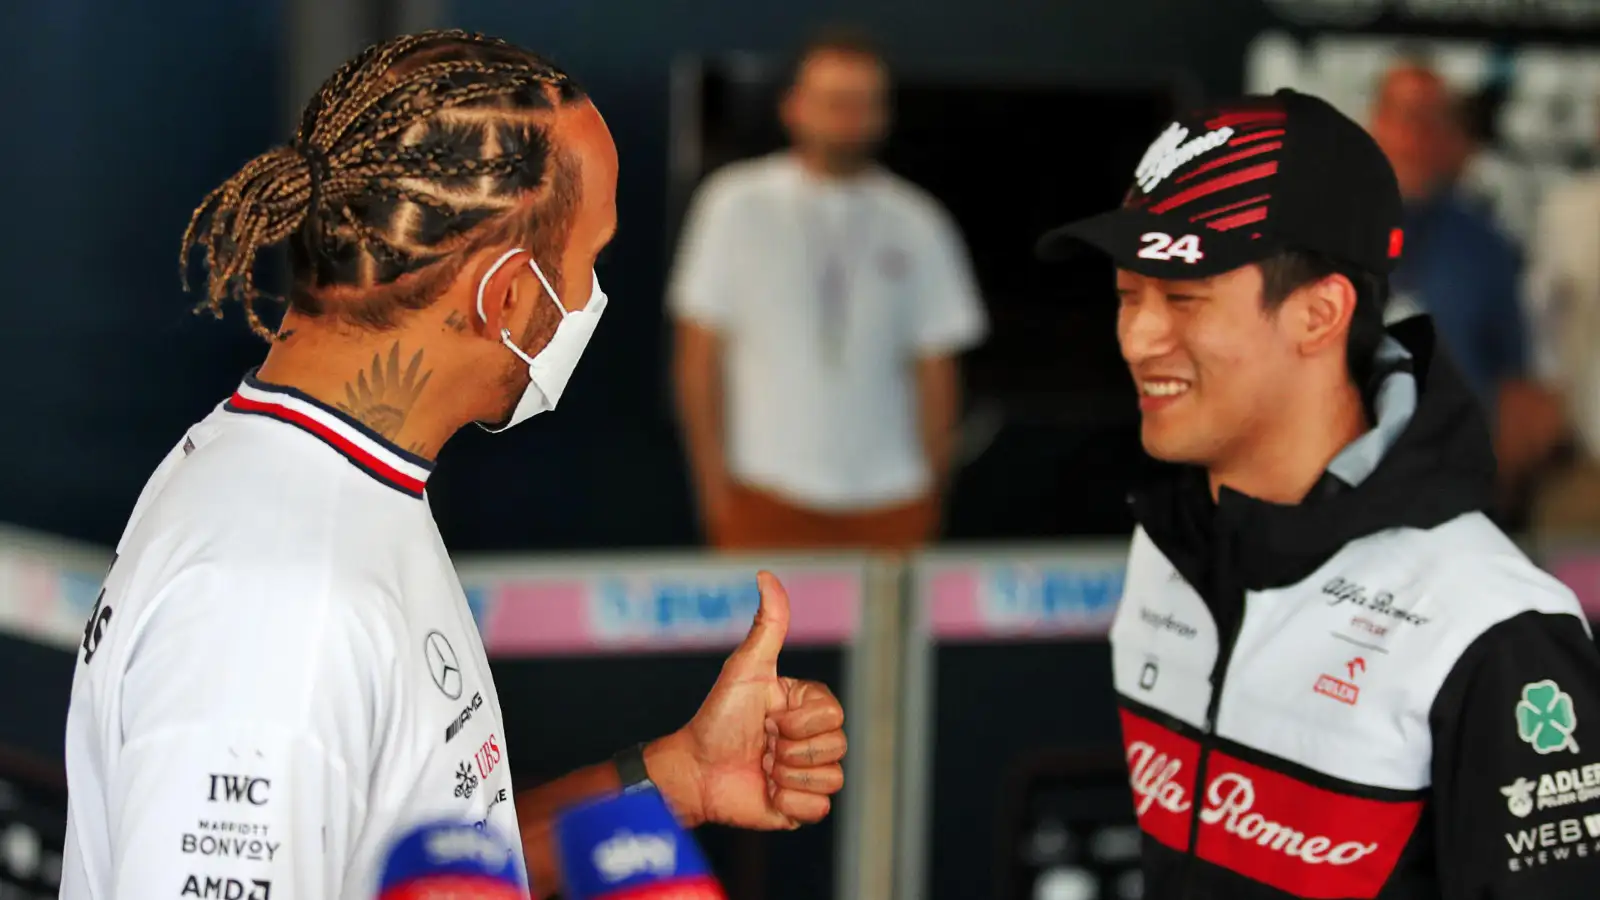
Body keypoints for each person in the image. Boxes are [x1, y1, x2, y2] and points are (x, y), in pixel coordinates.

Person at [59, 30, 847, 900]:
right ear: (504, 295)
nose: (590, 301)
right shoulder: (279, 602)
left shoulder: (332, 492)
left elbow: (430, 857)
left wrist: (677, 780)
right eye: (589, 263)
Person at [1036, 88, 1600, 898]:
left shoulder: (1493, 629)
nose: (1138, 338)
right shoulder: (1168, 546)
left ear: (1319, 313)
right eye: (1128, 296)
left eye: (1183, 298)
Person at [669, 27, 988, 552]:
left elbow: (939, 370)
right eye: (834, 101)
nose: (848, 118)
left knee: (894, 638)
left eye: (864, 103)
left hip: (893, 499)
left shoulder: (919, 220)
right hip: (765, 492)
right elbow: (697, 356)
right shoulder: (734, 204)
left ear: (884, 113)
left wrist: (931, 492)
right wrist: (713, 492)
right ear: (793, 106)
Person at [1367, 61, 1560, 512]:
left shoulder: (1486, 245)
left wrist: (1503, 493)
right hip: (1341, 472)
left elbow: (1514, 375)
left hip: (1452, 480)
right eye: (1403, 115)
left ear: (1452, 136)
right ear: (1374, 123)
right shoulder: (1323, 230)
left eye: (1433, 119)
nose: (1416, 134)